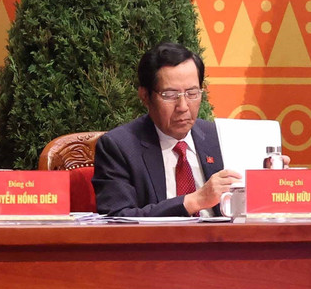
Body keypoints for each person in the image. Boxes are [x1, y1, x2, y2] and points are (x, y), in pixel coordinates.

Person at [93, 42, 240, 217]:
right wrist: (193, 201)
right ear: (145, 96)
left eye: (192, 93)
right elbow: (117, 218)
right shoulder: (119, 147)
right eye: (170, 95)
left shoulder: (220, 137)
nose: (183, 106)